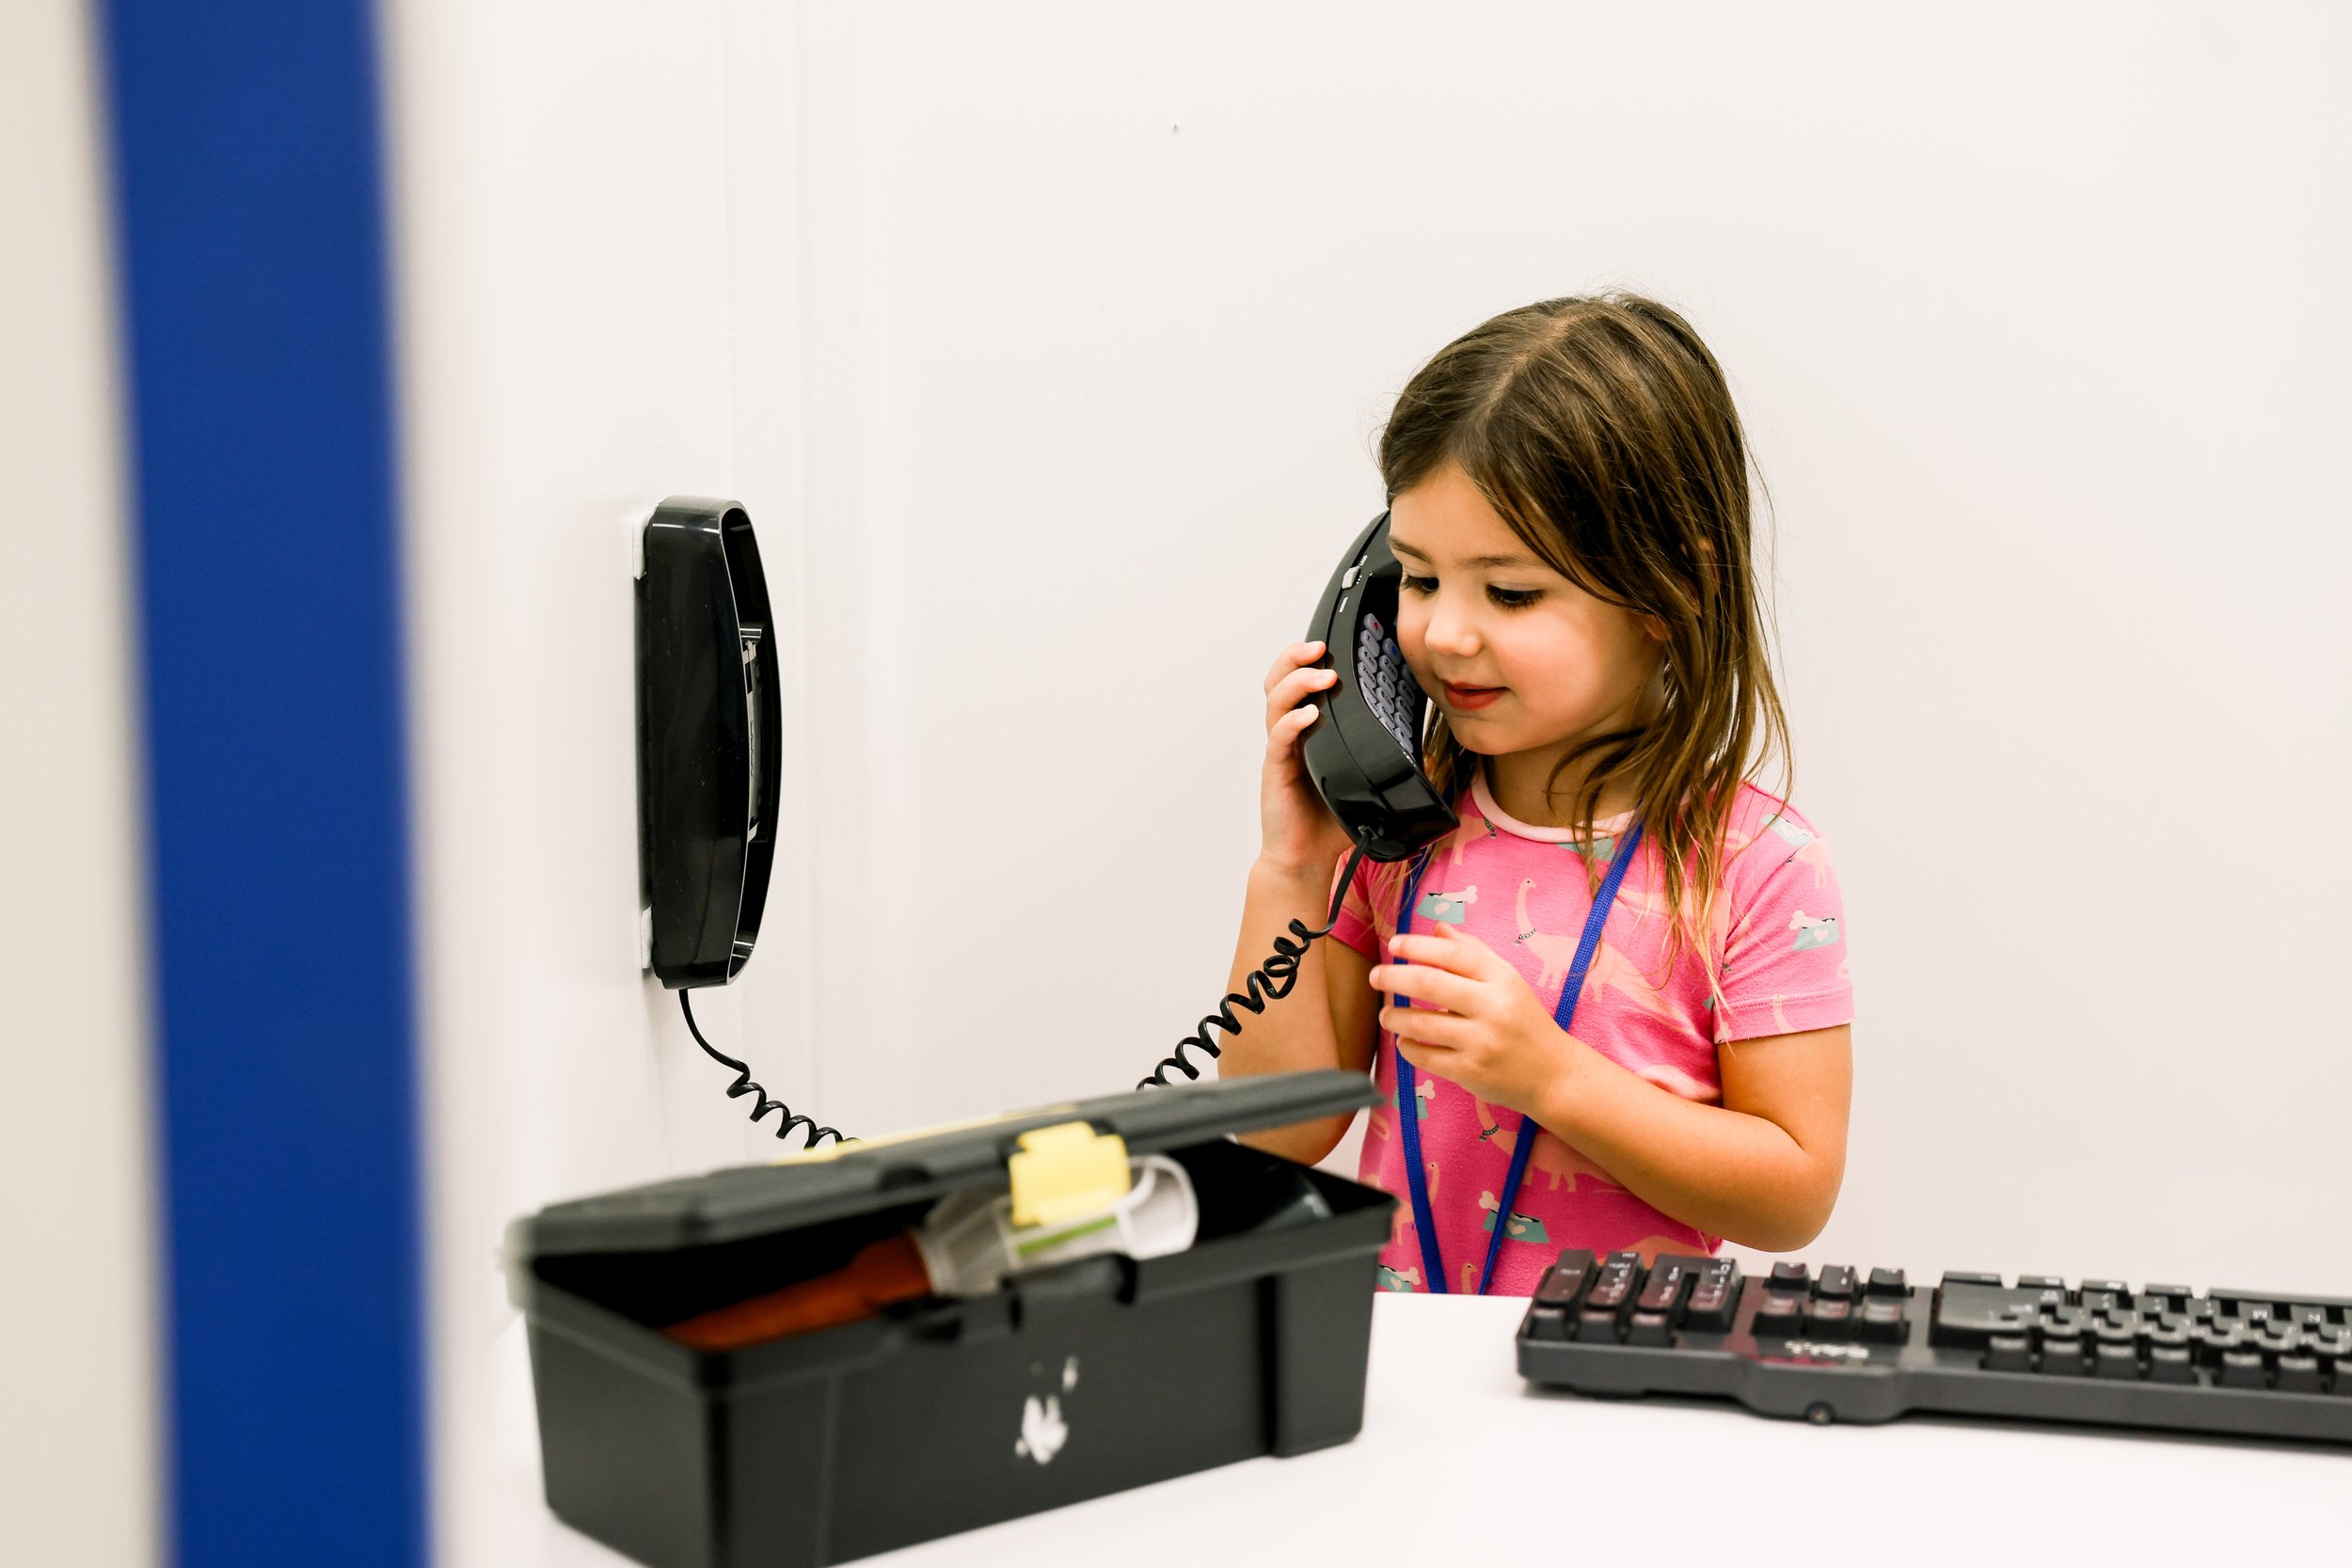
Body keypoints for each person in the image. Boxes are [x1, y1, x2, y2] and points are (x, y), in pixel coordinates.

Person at [1225, 293, 1852, 1295]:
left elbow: (1793, 1193)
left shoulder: (1756, 862)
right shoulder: (1393, 836)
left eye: (1510, 591)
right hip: (1408, 1380)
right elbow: (1274, 1132)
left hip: (1619, 1392)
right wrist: (1292, 865)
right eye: (1420, 578)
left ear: (1663, 595)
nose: (1443, 634)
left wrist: (1550, 1076)